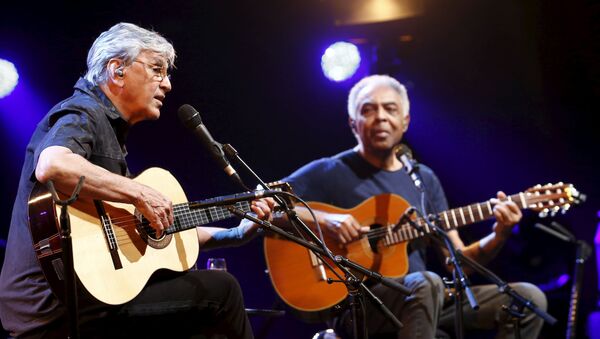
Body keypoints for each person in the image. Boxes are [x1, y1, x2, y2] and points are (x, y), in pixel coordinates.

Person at [0, 22, 273, 338]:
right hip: (54, 305)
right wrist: (137, 192)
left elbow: (165, 226)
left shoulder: (110, 132)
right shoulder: (83, 112)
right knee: (221, 291)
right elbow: (53, 164)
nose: (167, 84)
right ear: (117, 70)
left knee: (197, 301)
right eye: (157, 69)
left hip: (82, 298)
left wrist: (236, 233)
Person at [279, 74, 547, 338]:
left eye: (390, 109)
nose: (381, 117)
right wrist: (327, 220)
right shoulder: (330, 171)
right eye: (368, 110)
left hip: (423, 302)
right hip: (360, 304)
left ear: (405, 122)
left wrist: (499, 234)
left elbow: (458, 263)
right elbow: (267, 205)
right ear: (353, 123)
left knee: (528, 299)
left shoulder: (422, 179)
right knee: (429, 282)